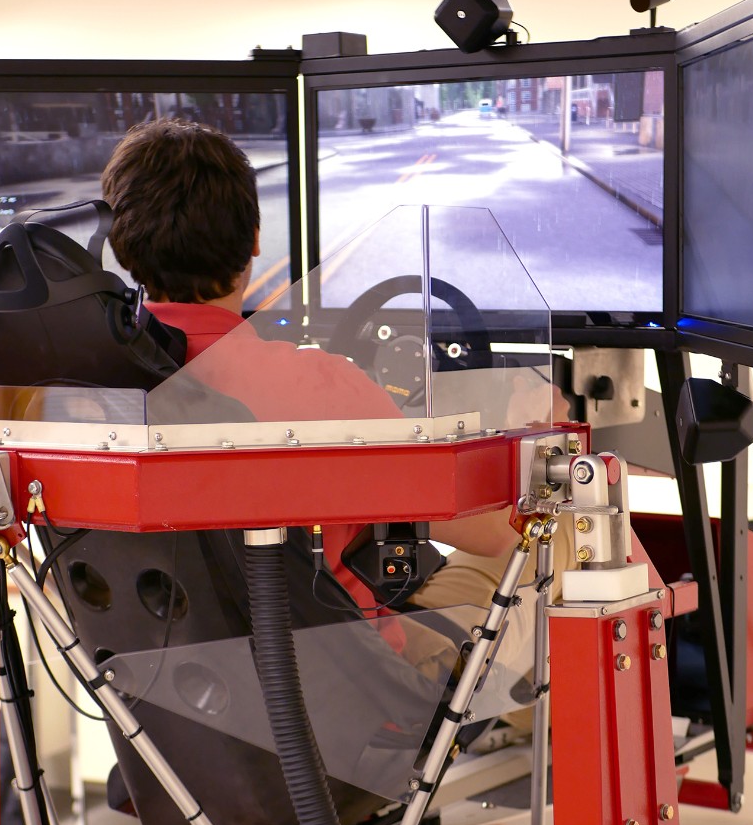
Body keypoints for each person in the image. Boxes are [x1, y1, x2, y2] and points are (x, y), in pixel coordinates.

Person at [100, 118, 535, 627]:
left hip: (155, 672)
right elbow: (496, 531)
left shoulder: (83, 389)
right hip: (341, 672)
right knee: (554, 530)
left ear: (123, 246)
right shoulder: (324, 390)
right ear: (255, 240)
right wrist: (527, 432)